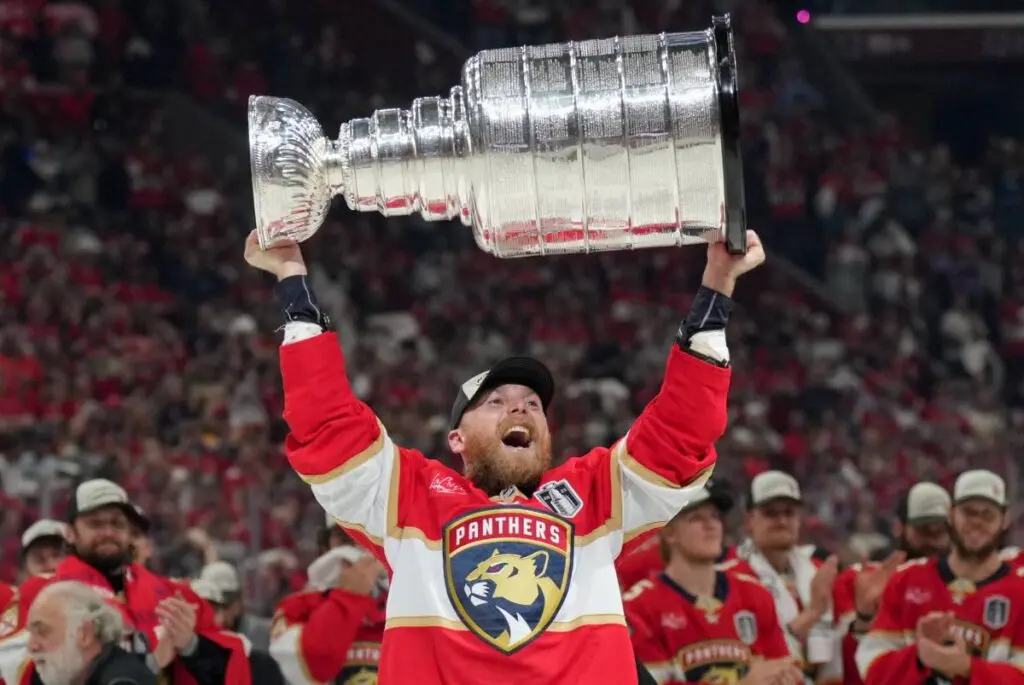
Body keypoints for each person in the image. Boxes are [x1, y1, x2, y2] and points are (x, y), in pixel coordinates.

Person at [244, 229, 766, 684]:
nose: (519, 406)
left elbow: (680, 436)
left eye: (533, 404)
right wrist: (293, 283)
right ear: (457, 439)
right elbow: (328, 428)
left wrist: (717, 288)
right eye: (496, 402)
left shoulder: (594, 494)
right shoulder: (410, 495)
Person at [11, 479, 251, 685]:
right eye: (95, 523)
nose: (108, 532)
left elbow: (223, 669)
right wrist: (151, 664)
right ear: (70, 533)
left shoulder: (170, 594)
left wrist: (191, 646)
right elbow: (32, 673)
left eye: (117, 523)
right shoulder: (44, 596)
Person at [856, 470, 1024, 683]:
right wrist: (918, 656)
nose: (977, 522)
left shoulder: (1020, 592)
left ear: (1005, 519)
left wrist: (967, 668)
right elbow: (873, 670)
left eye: (987, 514)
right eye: (969, 512)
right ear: (951, 514)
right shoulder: (905, 580)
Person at [624, 483, 801, 684]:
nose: (711, 525)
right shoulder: (640, 607)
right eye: (697, 518)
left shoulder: (754, 593)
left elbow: (783, 670)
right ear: (670, 533)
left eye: (715, 516)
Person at [722, 471, 840, 683]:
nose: (782, 520)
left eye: (789, 512)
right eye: (771, 513)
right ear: (750, 520)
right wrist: (811, 614)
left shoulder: (816, 570)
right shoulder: (729, 577)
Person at [832, 481, 951, 685]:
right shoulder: (860, 580)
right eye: (923, 530)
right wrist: (864, 619)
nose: (932, 540)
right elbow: (845, 672)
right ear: (899, 527)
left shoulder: (970, 585)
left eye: (940, 531)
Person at [268, 516, 387, 684]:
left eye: (373, 538)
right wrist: (350, 597)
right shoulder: (296, 608)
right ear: (326, 547)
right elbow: (312, 669)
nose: (361, 550)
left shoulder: (413, 609)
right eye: (346, 538)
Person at [25, 581, 156, 685]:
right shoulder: (52, 677)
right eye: (31, 634)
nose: (32, 646)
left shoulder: (123, 680)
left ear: (85, 633)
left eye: (42, 631)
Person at [198, 563, 271, 651]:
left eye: (226, 605)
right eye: (214, 607)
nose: (222, 615)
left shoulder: (258, 631)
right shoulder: (192, 636)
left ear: (238, 601)